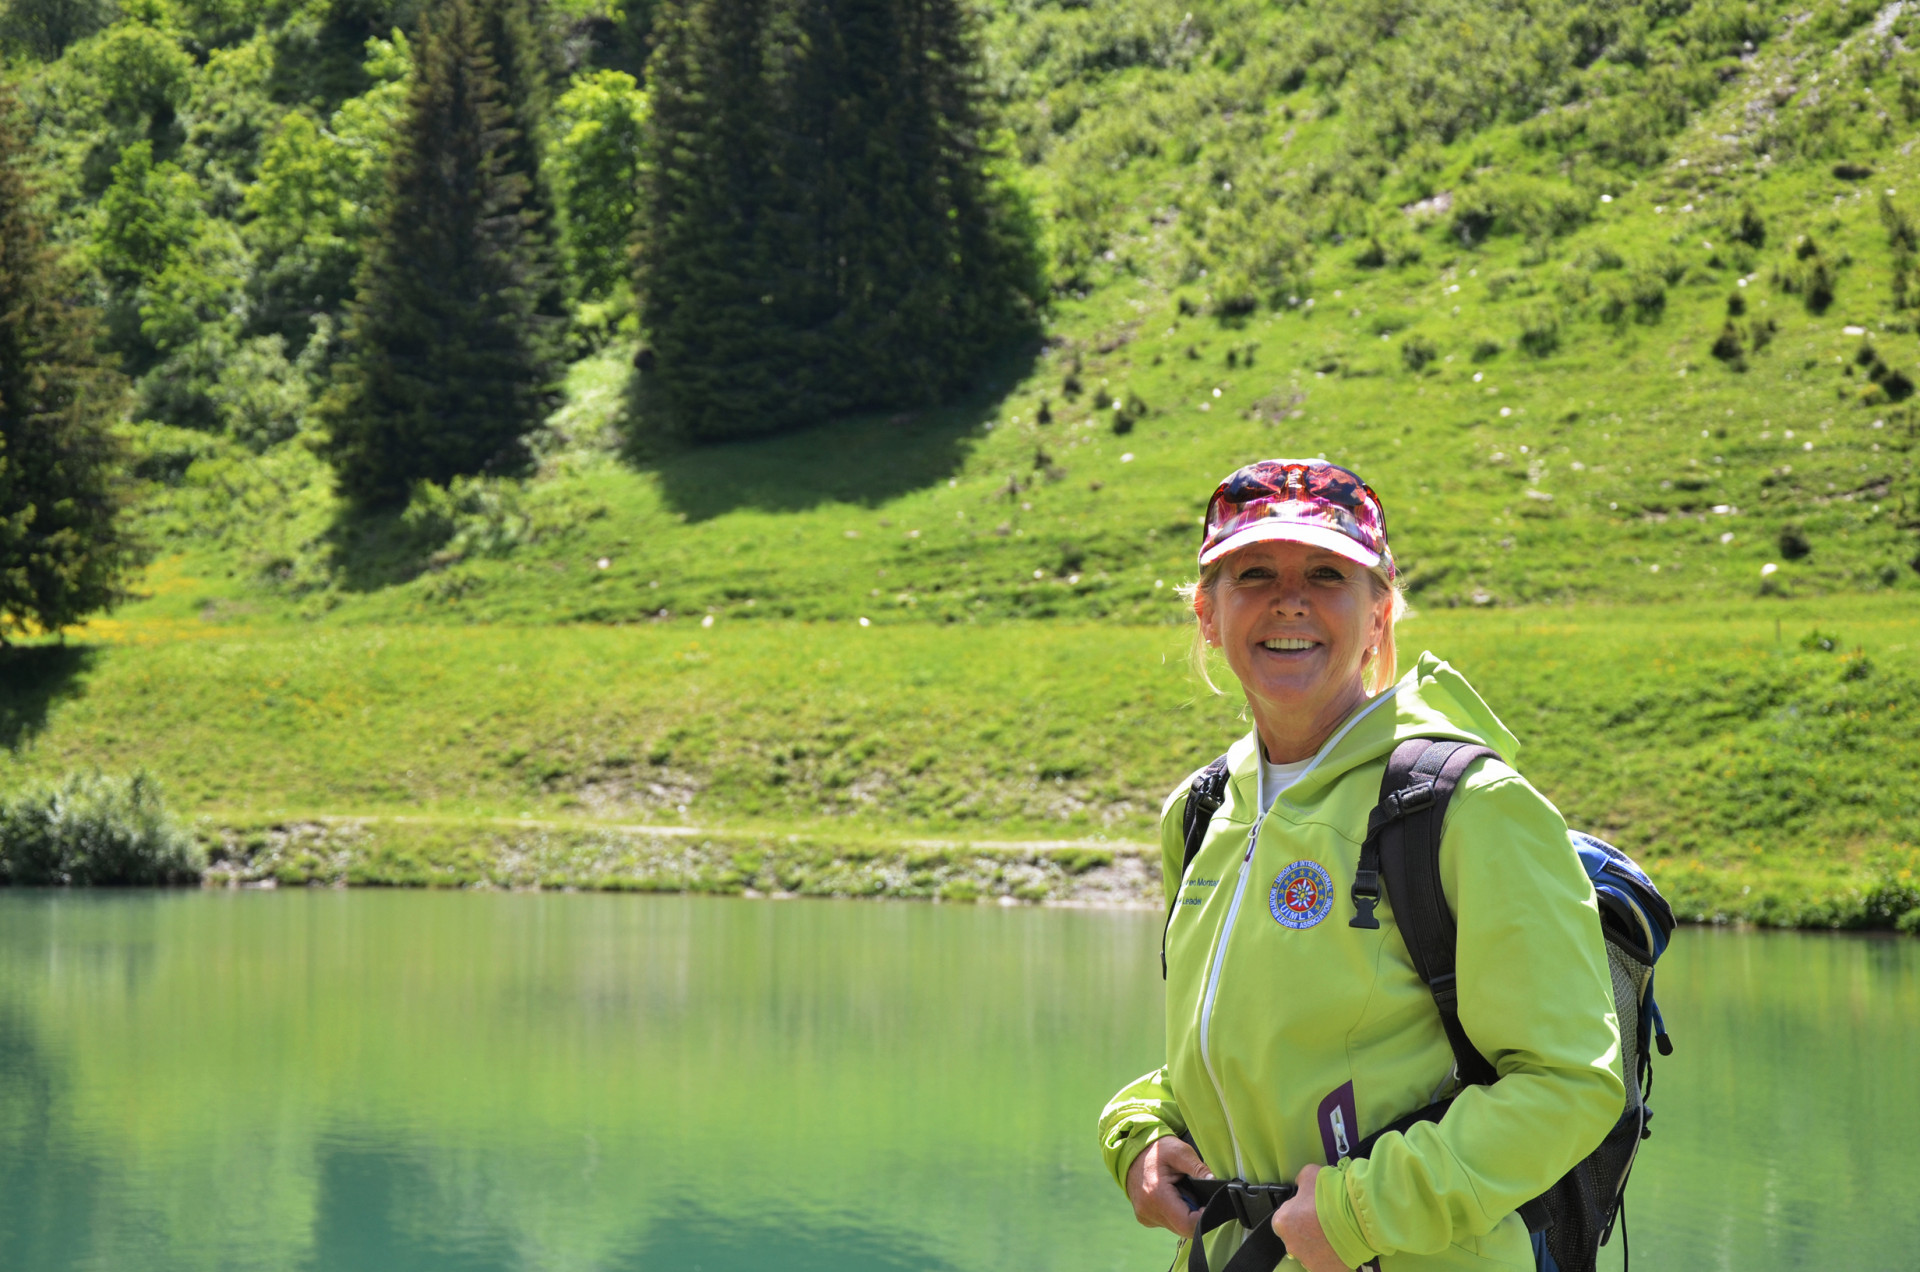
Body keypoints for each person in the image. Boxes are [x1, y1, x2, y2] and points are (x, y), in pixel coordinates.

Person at [1098, 459, 1625, 1272]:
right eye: (1254, 574)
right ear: (1208, 614)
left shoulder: (1468, 804)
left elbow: (1570, 1084)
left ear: (1379, 612)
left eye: (1325, 574)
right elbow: (1235, 1055)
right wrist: (1142, 1135)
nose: (1290, 600)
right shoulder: (1201, 811)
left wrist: (1359, 1213)